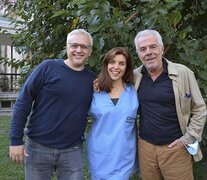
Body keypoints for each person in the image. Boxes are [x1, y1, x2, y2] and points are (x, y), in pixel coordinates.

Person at [9, 29, 95, 180]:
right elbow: (23, 102)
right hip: (38, 148)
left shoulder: (92, 80)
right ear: (67, 47)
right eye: (74, 45)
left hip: (72, 151)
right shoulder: (48, 68)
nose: (79, 50)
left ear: (90, 51)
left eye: (84, 46)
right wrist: (15, 140)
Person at [133, 29, 207, 180]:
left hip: (176, 149)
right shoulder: (134, 76)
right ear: (138, 53)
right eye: (143, 49)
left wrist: (187, 139)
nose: (148, 52)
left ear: (161, 48)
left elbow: (199, 108)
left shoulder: (183, 73)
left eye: (153, 47)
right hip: (145, 148)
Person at [86, 47, 139, 180]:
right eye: (112, 62)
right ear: (106, 65)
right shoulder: (94, 91)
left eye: (121, 63)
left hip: (125, 154)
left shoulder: (134, 90)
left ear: (127, 67)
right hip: (99, 154)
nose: (116, 67)